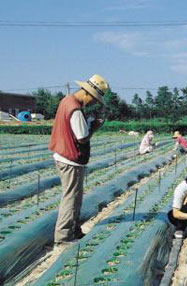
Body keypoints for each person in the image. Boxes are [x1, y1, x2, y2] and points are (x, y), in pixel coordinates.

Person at [48, 74, 109, 247]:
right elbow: (82, 137)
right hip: (70, 159)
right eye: (94, 100)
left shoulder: (66, 101)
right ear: (88, 94)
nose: (93, 103)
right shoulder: (75, 109)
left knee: (75, 197)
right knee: (71, 198)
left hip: (63, 155)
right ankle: (63, 237)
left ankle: (74, 230)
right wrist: (94, 128)